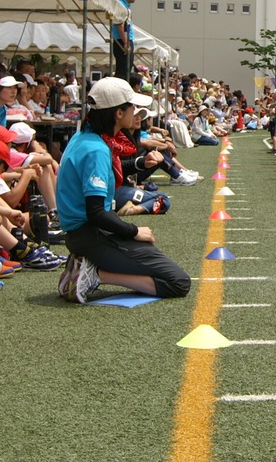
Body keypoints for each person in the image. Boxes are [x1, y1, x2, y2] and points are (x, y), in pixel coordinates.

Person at [56, 77, 190, 304]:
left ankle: (91, 266)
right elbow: (96, 212)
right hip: (91, 234)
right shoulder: (96, 148)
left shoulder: (86, 136)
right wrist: (133, 231)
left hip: (82, 233)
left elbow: (106, 172)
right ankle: (95, 275)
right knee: (178, 282)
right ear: (118, 113)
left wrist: (140, 163)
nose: (136, 113)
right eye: (132, 107)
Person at [112, 0, 139, 81]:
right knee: (122, 71)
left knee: (127, 69)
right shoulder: (121, 5)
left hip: (125, 40)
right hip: (122, 41)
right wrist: (126, 42)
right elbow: (119, 24)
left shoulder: (126, 6)